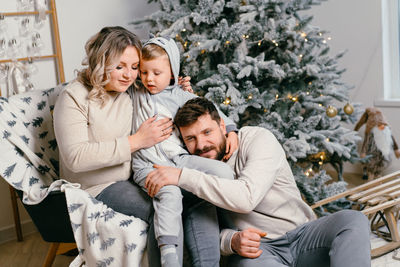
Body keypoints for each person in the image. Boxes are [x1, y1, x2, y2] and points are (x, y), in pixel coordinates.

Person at [145, 97, 372, 267]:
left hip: (302, 235)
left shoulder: (256, 139)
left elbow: (246, 198)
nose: (202, 144)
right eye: (191, 139)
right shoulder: (194, 168)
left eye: (207, 132)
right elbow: (200, 228)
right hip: (259, 253)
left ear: (223, 127)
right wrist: (231, 241)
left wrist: (182, 176)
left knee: (353, 220)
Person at [53, 26, 191, 266]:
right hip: (97, 185)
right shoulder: (73, 97)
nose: (129, 75)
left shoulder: (131, 89)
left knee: (188, 200)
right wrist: (136, 141)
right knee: (160, 210)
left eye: (134, 67)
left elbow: (160, 91)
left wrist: (178, 89)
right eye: (120, 67)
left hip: (134, 176)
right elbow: (75, 157)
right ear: (101, 62)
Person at [130, 36, 239, 267]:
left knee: (224, 173)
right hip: (146, 165)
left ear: (172, 72)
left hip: (179, 160)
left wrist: (230, 130)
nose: (149, 79)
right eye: (144, 72)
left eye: (157, 73)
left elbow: (211, 110)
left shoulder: (180, 96)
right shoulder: (135, 93)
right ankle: (170, 256)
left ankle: (232, 230)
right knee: (170, 195)